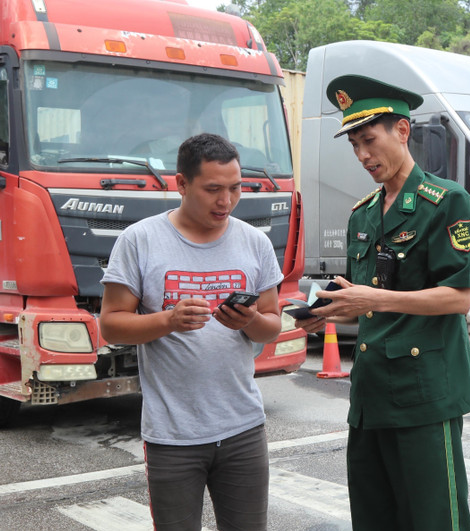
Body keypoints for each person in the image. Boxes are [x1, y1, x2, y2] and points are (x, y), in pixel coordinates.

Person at [297, 75, 470, 531]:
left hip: (423, 392)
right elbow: (368, 300)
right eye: (355, 145)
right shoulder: (362, 213)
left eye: (369, 140)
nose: (363, 155)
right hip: (371, 390)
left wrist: (372, 297)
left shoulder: (444, 201)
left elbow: (458, 298)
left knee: (433, 518)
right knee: (375, 516)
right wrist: (334, 310)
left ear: (402, 131)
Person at [99, 133, 282, 531]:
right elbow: (111, 323)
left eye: (235, 189)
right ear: (181, 184)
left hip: (243, 428)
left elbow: (272, 324)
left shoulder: (254, 242)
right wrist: (168, 320)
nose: (226, 201)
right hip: (172, 435)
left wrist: (249, 320)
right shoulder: (140, 240)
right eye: (213, 189)